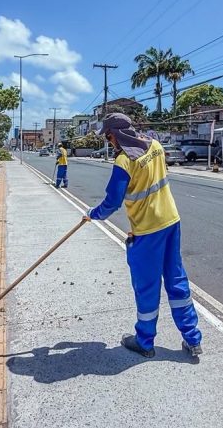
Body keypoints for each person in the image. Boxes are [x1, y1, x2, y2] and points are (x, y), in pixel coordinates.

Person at [86, 113, 203, 358]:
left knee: (147, 286)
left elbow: (112, 202)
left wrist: (92, 214)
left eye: (108, 137)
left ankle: (145, 341)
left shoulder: (124, 160)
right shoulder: (157, 146)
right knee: (176, 279)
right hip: (171, 221)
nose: (109, 143)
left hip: (148, 230)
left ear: (115, 135)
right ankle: (192, 339)